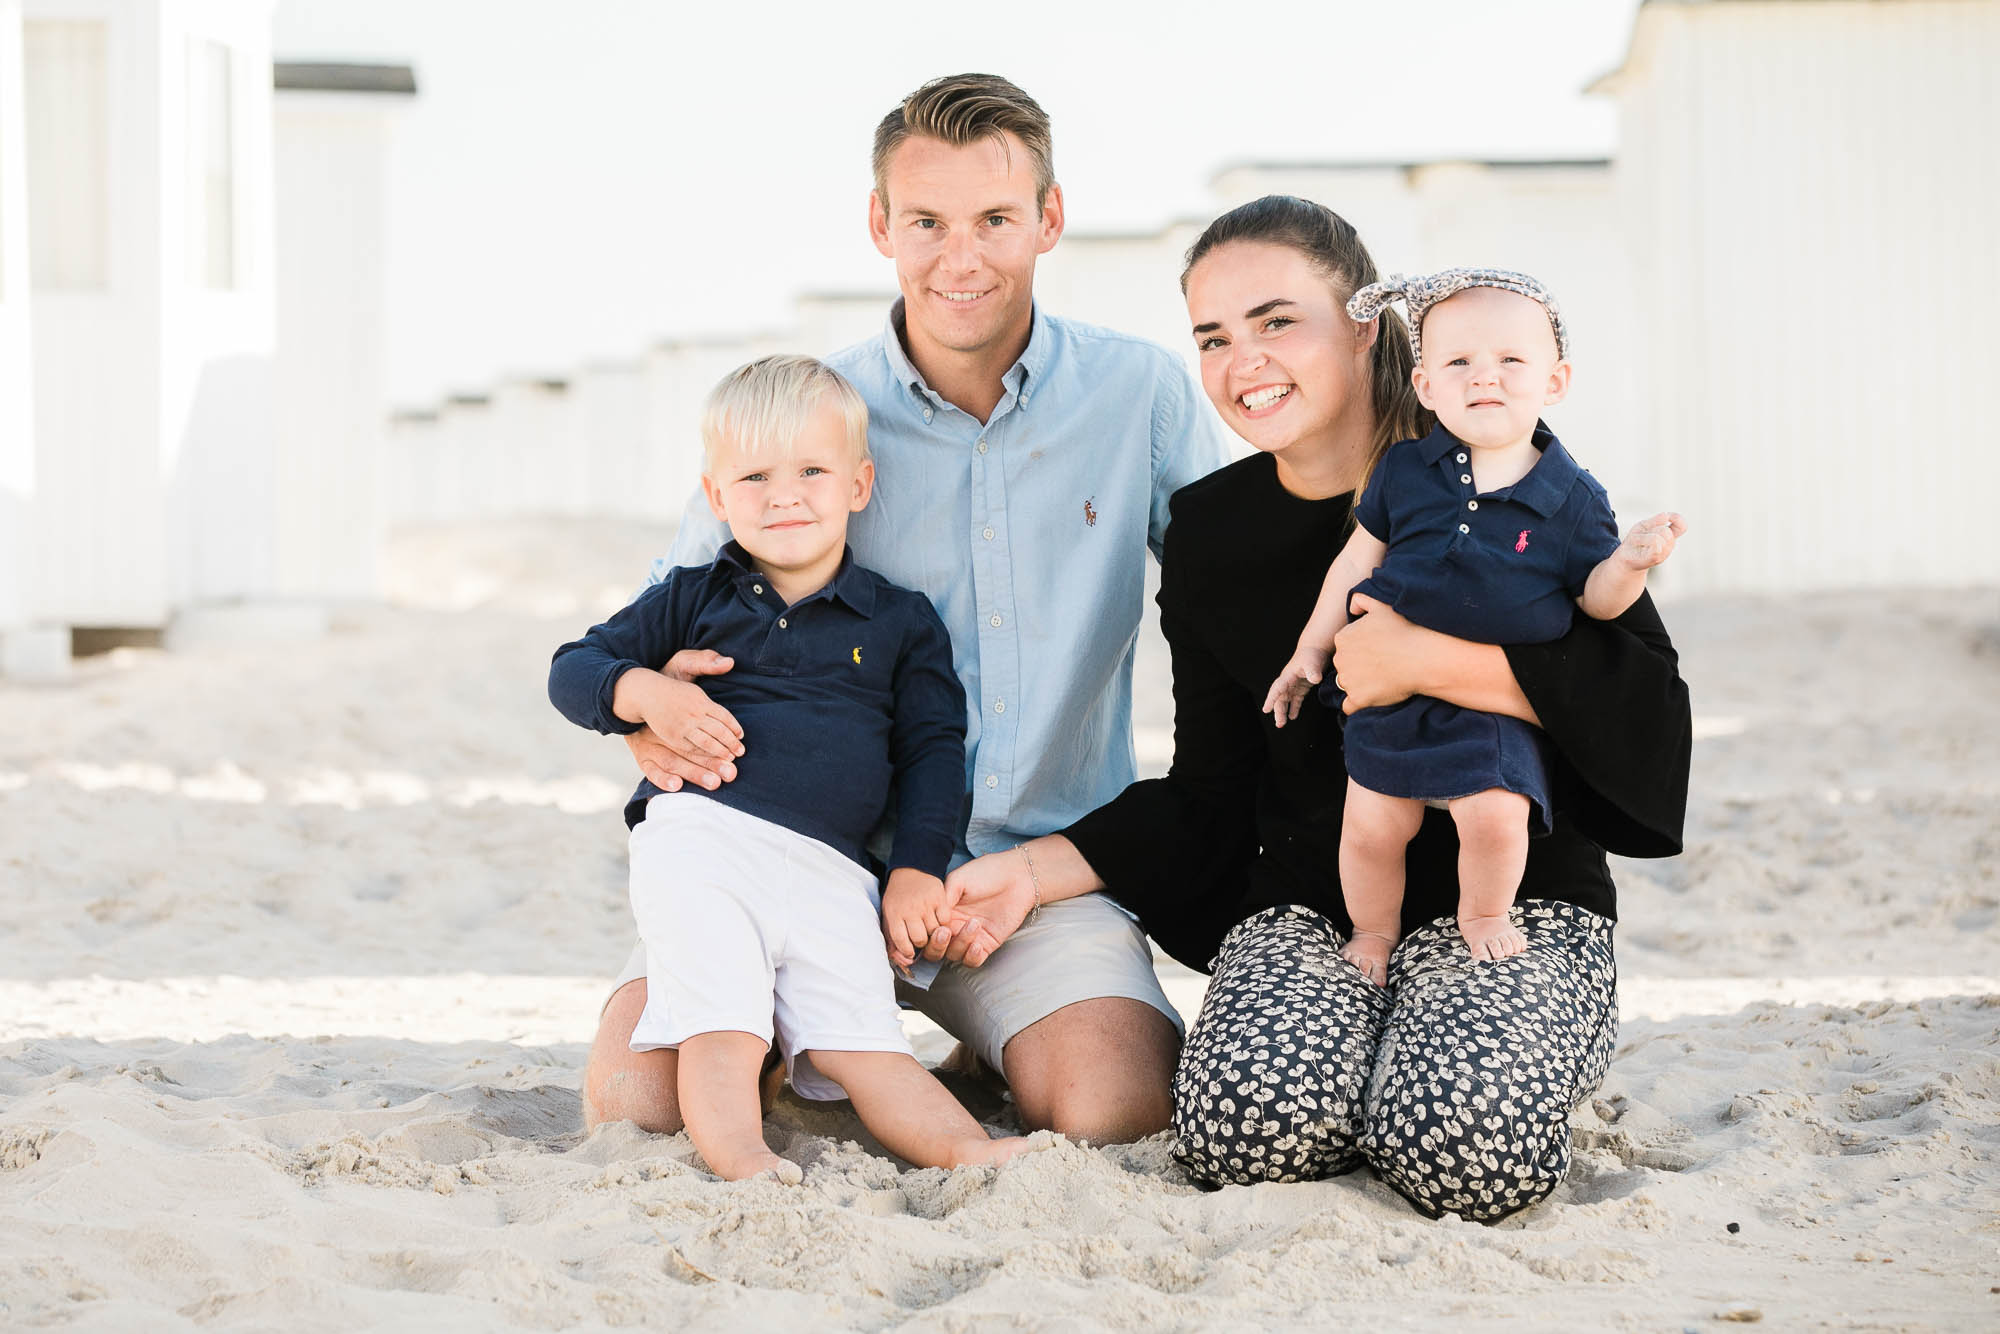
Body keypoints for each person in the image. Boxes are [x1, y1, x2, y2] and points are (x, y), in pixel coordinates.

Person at [939, 196, 1691, 1222]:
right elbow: (1211, 790)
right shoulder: (1208, 531)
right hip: (1313, 904)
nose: (1241, 359)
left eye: (1275, 319)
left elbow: (1643, 710)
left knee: (1463, 1149)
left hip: (1512, 903)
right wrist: (1025, 872)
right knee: (1243, 1130)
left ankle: (1452, 1039)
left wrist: (1429, 658)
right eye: (1212, 336)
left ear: (1364, 325)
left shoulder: (1498, 465)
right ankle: (1370, 1036)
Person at [580, 74, 1229, 1142]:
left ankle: (984, 1032)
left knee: (1114, 1105)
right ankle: (816, 1034)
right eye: (924, 221)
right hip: (793, 852)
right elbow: (660, 615)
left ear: (1048, 222)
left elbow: (1229, 604)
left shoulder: (1141, 396)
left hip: (1034, 873)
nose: (958, 257)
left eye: (993, 220)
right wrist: (644, 708)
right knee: (640, 1105)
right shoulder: (808, 412)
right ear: (880, 223)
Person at [549, 355, 1033, 1180]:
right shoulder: (694, 597)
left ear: (859, 483)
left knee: (865, 1041)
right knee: (723, 1027)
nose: (784, 495)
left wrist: (915, 870)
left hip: (832, 870)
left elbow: (932, 752)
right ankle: (740, 1156)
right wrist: (641, 693)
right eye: (755, 476)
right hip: (702, 840)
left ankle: (970, 1152)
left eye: (812, 470)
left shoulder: (900, 621)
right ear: (717, 497)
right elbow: (573, 668)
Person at [1261, 267, 1686, 985]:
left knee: (1494, 818)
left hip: (1488, 713)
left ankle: (1485, 914)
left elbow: (1597, 603)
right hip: (1387, 703)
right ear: (1426, 385)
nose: (1483, 377)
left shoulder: (1574, 498)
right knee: (1369, 830)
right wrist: (1308, 649)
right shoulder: (1405, 471)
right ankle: (1373, 930)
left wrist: (1631, 564)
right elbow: (1354, 562)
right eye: (1459, 362)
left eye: (1510, 361)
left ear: (1556, 381)